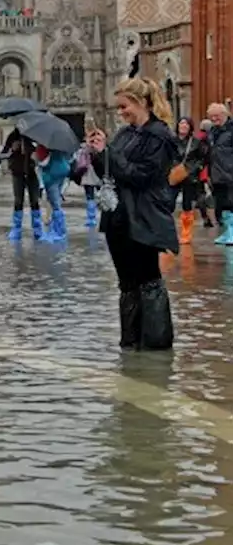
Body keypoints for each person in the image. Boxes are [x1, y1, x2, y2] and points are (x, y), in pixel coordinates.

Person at [87, 77, 178, 351]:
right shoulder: (126, 134)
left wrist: (110, 155)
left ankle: (155, 344)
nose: (121, 112)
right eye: (118, 107)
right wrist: (97, 152)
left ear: (141, 103)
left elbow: (141, 177)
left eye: (124, 106)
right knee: (127, 283)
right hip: (118, 217)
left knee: (148, 278)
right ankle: (130, 342)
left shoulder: (159, 136)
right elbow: (112, 170)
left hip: (143, 216)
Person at [174, 117, 208, 245]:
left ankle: (186, 233)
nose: (183, 126)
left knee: (187, 204)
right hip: (174, 175)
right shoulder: (172, 141)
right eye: (181, 123)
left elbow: (203, 158)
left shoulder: (196, 142)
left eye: (186, 124)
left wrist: (195, 169)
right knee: (168, 202)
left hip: (189, 176)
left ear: (190, 127)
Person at [5, 129, 43, 240]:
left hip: (32, 172)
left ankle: (37, 228)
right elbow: (4, 152)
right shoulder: (12, 136)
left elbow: (41, 151)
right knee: (18, 200)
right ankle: (16, 228)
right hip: (17, 172)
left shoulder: (34, 135)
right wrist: (13, 149)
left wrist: (33, 151)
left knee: (35, 200)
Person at [205, 102, 234, 246]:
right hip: (217, 174)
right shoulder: (212, 131)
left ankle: (232, 232)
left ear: (224, 114)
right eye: (211, 117)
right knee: (221, 204)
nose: (214, 119)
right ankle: (227, 231)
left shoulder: (232, 129)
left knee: (231, 202)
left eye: (216, 116)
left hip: (230, 173)